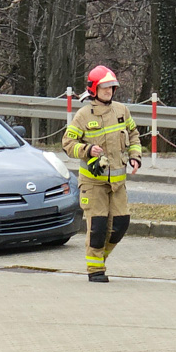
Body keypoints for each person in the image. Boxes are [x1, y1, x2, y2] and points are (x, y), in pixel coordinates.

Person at [62, 65, 141, 283]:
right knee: (97, 227)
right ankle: (95, 270)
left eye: (111, 87)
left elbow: (134, 135)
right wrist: (87, 150)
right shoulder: (83, 115)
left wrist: (135, 156)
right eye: (104, 87)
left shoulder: (121, 111)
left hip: (117, 184)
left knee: (121, 223)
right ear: (94, 89)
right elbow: (68, 143)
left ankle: (98, 259)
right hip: (93, 183)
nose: (108, 91)